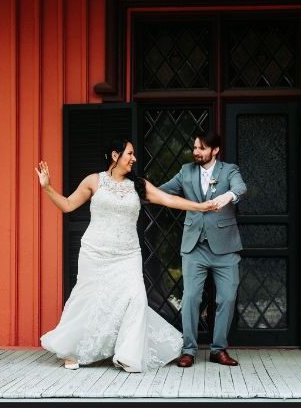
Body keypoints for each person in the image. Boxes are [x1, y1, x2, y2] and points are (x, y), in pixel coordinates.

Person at [35, 140, 219, 371]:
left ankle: (128, 355)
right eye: (129, 154)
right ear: (115, 155)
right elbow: (68, 205)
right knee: (87, 299)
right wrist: (47, 187)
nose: (134, 158)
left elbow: (169, 199)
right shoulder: (94, 181)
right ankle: (72, 351)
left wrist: (201, 207)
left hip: (128, 254)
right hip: (95, 252)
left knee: (137, 299)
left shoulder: (138, 185)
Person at [159, 130, 250, 367]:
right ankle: (188, 350)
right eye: (195, 147)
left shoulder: (229, 170)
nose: (196, 152)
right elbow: (161, 191)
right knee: (190, 298)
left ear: (215, 150)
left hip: (225, 247)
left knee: (227, 298)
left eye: (202, 148)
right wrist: (132, 189)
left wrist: (228, 196)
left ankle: (218, 349)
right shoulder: (186, 171)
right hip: (194, 246)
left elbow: (241, 188)